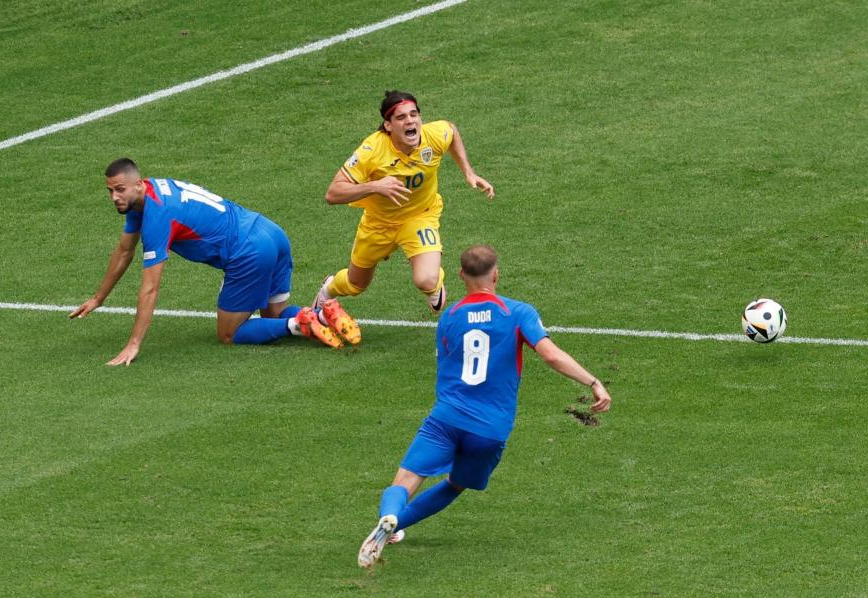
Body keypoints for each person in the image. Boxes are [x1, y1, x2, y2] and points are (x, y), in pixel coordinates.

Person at [356, 245, 612, 568]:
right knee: (456, 484)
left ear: (461, 275)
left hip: (446, 418)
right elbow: (550, 354)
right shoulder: (517, 312)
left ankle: (389, 518)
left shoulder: (449, 316)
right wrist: (592, 382)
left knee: (404, 481)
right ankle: (397, 526)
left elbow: (446, 363)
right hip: (489, 429)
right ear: (496, 274)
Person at [70, 158, 361, 366]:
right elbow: (123, 252)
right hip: (271, 232)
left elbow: (150, 288)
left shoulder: (158, 216)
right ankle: (322, 315)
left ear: (137, 184)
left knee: (229, 334)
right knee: (274, 315)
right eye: (110, 191)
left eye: (119, 189)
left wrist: (133, 344)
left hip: (248, 251)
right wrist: (98, 298)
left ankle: (300, 324)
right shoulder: (147, 195)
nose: (114, 197)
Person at [313, 90, 495, 315]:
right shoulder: (372, 150)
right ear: (388, 125)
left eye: (414, 114)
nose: (410, 121)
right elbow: (332, 194)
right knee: (356, 284)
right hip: (378, 223)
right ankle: (329, 288)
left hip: (420, 216)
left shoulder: (433, 136)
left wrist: (468, 172)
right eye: (401, 117)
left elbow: (452, 130)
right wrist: (375, 186)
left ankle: (433, 283)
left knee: (426, 280)